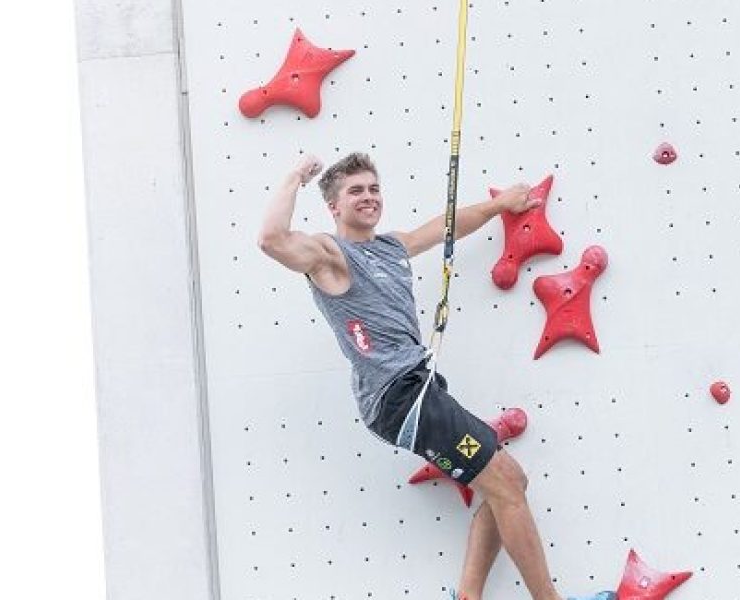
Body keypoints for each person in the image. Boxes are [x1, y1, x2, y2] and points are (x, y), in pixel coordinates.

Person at [257, 153, 611, 600]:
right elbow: (271, 239)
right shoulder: (329, 255)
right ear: (333, 206)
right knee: (505, 485)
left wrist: (500, 205)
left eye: (373, 188)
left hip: (418, 392)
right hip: (399, 396)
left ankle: (467, 596)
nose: (368, 198)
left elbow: (445, 227)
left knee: (508, 483)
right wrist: (294, 177)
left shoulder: (389, 246)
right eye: (355, 191)